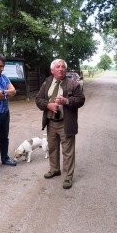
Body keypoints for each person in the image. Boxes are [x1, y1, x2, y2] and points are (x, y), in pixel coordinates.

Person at [35, 59, 85, 189]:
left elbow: (81, 100)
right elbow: (38, 99)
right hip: (51, 122)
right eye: (58, 67)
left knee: (68, 152)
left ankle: (68, 177)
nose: (61, 69)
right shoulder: (47, 83)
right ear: (53, 70)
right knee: (52, 148)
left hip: (66, 123)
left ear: (66, 70)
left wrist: (67, 101)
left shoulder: (73, 84)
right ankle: (54, 169)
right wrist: (48, 105)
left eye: (63, 67)